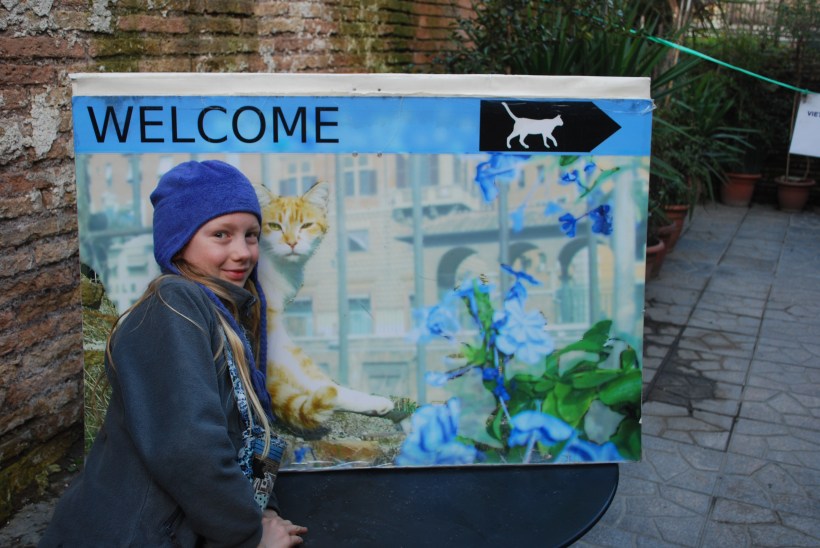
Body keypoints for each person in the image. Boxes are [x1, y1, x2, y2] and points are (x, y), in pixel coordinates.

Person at [41, 160, 307, 547]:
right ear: (179, 240)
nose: (243, 252)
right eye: (221, 234)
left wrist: (263, 511)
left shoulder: (226, 315)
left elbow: (247, 431)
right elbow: (187, 446)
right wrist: (251, 535)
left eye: (251, 235)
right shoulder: (173, 305)